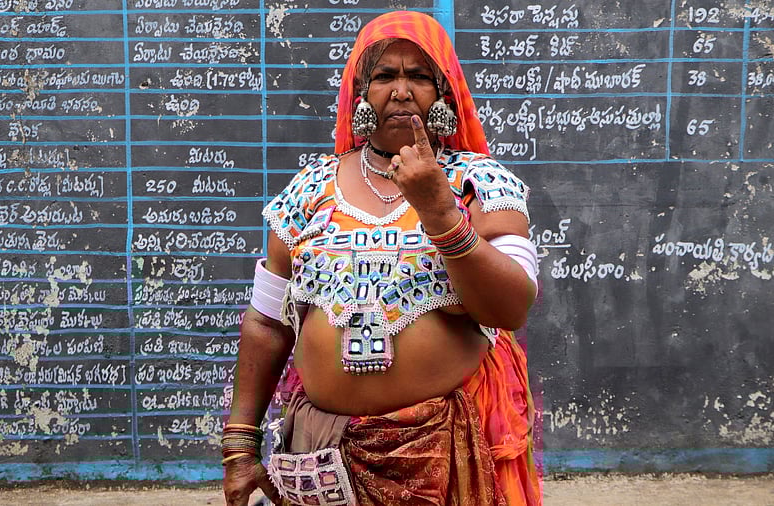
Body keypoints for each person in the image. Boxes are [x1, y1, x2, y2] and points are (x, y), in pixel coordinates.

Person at [221, 10, 542, 506]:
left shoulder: (480, 184)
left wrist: (439, 209)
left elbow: (511, 307)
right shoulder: (310, 189)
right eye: (384, 76)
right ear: (360, 95)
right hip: (322, 455)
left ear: (444, 94)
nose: (401, 90)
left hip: (442, 454)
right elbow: (268, 323)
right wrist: (240, 447)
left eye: (419, 76)